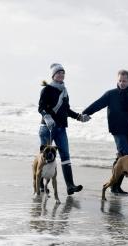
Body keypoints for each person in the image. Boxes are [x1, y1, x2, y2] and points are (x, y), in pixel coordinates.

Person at [82, 69, 128, 194]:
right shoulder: (111, 94)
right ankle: (114, 186)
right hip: (117, 128)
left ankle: (115, 185)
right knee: (124, 155)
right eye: (120, 80)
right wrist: (85, 113)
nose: (122, 83)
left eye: (124, 81)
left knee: (127, 158)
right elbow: (98, 104)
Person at [38, 63, 91, 195]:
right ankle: (40, 185)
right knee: (45, 157)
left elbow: (66, 110)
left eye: (63, 73)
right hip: (47, 128)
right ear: (53, 75)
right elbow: (41, 107)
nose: (61, 75)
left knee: (65, 156)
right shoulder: (47, 89)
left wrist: (79, 117)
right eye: (58, 73)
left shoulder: (64, 91)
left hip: (61, 128)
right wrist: (47, 117)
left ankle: (70, 186)